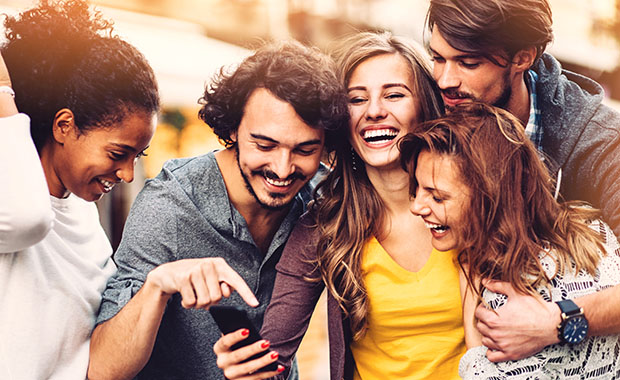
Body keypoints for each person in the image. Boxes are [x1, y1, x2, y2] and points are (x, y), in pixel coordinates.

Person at [214, 31, 473, 380]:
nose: (375, 111)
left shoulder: (475, 202)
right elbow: (273, 356)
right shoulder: (324, 226)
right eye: (357, 99)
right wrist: (248, 367)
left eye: (394, 95)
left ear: (424, 105)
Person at [87, 39, 348, 380]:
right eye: (265, 145)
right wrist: (157, 286)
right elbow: (103, 368)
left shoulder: (322, 199)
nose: (283, 169)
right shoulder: (169, 206)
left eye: (304, 149)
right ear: (232, 129)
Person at [425, 0, 620, 361]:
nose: (445, 80)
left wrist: (556, 320)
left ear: (522, 58)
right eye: (437, 58)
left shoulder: (600, 141)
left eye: (469, 62)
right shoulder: (435, 110)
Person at [0, 0, 160, 378]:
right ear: (64, 126)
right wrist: (4, 92)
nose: (127, 174)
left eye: (138, 155)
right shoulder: (12, 203)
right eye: (119, 153)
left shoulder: (85, 218)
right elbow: (29, 216)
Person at [403, 102, 620, 379]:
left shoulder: (509, 293)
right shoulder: (593, 232)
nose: (417, 206)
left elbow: (483, 373)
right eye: (417, 189)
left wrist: (469, 278)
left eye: (437, 196)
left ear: (489, 197)